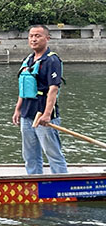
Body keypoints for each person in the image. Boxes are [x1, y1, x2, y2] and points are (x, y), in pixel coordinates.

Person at [12, 24, 68, 175]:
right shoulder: (28, 60)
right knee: (29, 155)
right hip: (27, 114)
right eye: (31, 36)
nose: (34, 39)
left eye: (38, 36)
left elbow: (53, 89)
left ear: (47, 38)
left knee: (53, 153)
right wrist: (18, 109)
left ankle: (61, 181)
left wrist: (47, 114)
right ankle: (34, 181)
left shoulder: (52, 60)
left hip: (43, 115)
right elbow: (24, 87)